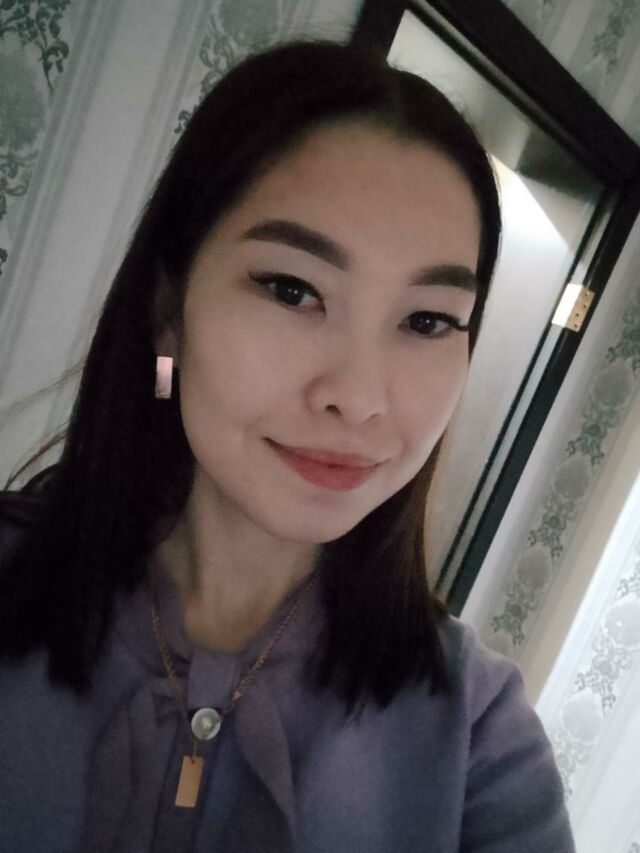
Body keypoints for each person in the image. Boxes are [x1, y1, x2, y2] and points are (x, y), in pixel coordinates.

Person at [0, 39, 575, 853]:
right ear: (169, 311)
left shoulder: (481, 743)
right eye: (293, 289)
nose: (360, 397)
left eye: (427, 320)